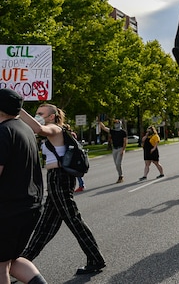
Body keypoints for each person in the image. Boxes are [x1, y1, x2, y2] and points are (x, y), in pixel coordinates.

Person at [18, 104, 106, 275]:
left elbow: (37, 127)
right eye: (36, 113)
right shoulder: (57, 130)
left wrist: (18, 108)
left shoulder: (53, 128)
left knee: (73, 219)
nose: (37, 115)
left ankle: (96, 258)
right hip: (55, 178)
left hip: (60, 178)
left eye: (41, 113)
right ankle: (23, 261)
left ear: (51, 117)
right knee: (46, 224)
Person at [0, 89, 47, 284]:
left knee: (1, 265)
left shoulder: (3, 131)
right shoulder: (24, 129)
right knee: (12, 259)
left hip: (8, 210)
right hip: (29, 206)